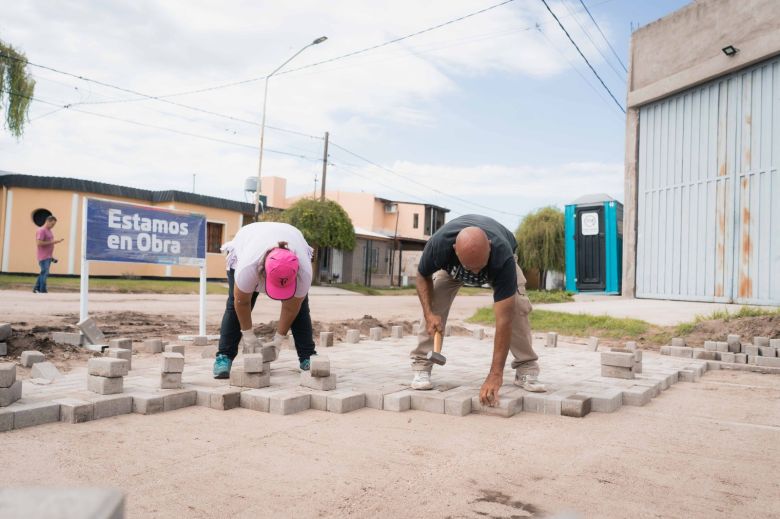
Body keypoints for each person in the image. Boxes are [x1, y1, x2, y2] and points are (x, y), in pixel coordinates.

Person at [410, 214, 547, 406]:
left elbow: (503, 320)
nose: (475, 273)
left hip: (498, 263)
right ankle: (422, 363)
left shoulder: (502, 256)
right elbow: (422, 275)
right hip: (452, 271)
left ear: (489, 246)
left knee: (516, 307)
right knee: (434, 304)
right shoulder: (438, 245)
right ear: (455, 250)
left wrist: (495, 374)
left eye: (479, 266)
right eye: (470, 267)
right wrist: (429, 314)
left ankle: (526, 367)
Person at [213, 221, 317, 379]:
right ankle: (224, 356)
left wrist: (278, 340)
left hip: (289, 234)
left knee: (301, 309)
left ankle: (307, 356)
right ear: (262, 272)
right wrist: (248, 335)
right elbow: (242, 303)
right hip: (249, 241)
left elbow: (291, 308)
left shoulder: (304, 272)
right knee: (234, 305)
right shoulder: (247, 267)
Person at [34, 215, 63, 294]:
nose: (53, 226)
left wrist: (52, 257)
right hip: (43, 256)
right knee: (44, 272)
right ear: (47, 221)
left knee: (44, 272)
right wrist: (53, 242)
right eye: (52, 224)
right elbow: (39, 243)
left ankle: (37, 288)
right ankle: (42, 289)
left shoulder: (49, 231)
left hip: (48, 256)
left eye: (54, 225)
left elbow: (49, 245)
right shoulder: (41, 230)